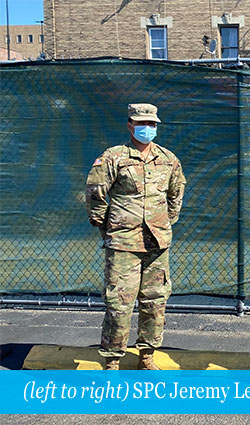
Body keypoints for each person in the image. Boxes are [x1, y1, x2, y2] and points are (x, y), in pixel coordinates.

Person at [86, 103, 186, 370]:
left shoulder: (168, 159)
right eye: (141, 123)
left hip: (157, 243)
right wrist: (107, 226)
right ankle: (112, 360)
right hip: (123, 243)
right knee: (119, 303)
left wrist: (165, 222)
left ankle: (147, 354)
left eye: (152, 124)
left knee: (155, 301)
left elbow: (176, 193)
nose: (147, 128)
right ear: (130, 125)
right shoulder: (114, 157)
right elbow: (96, 193)